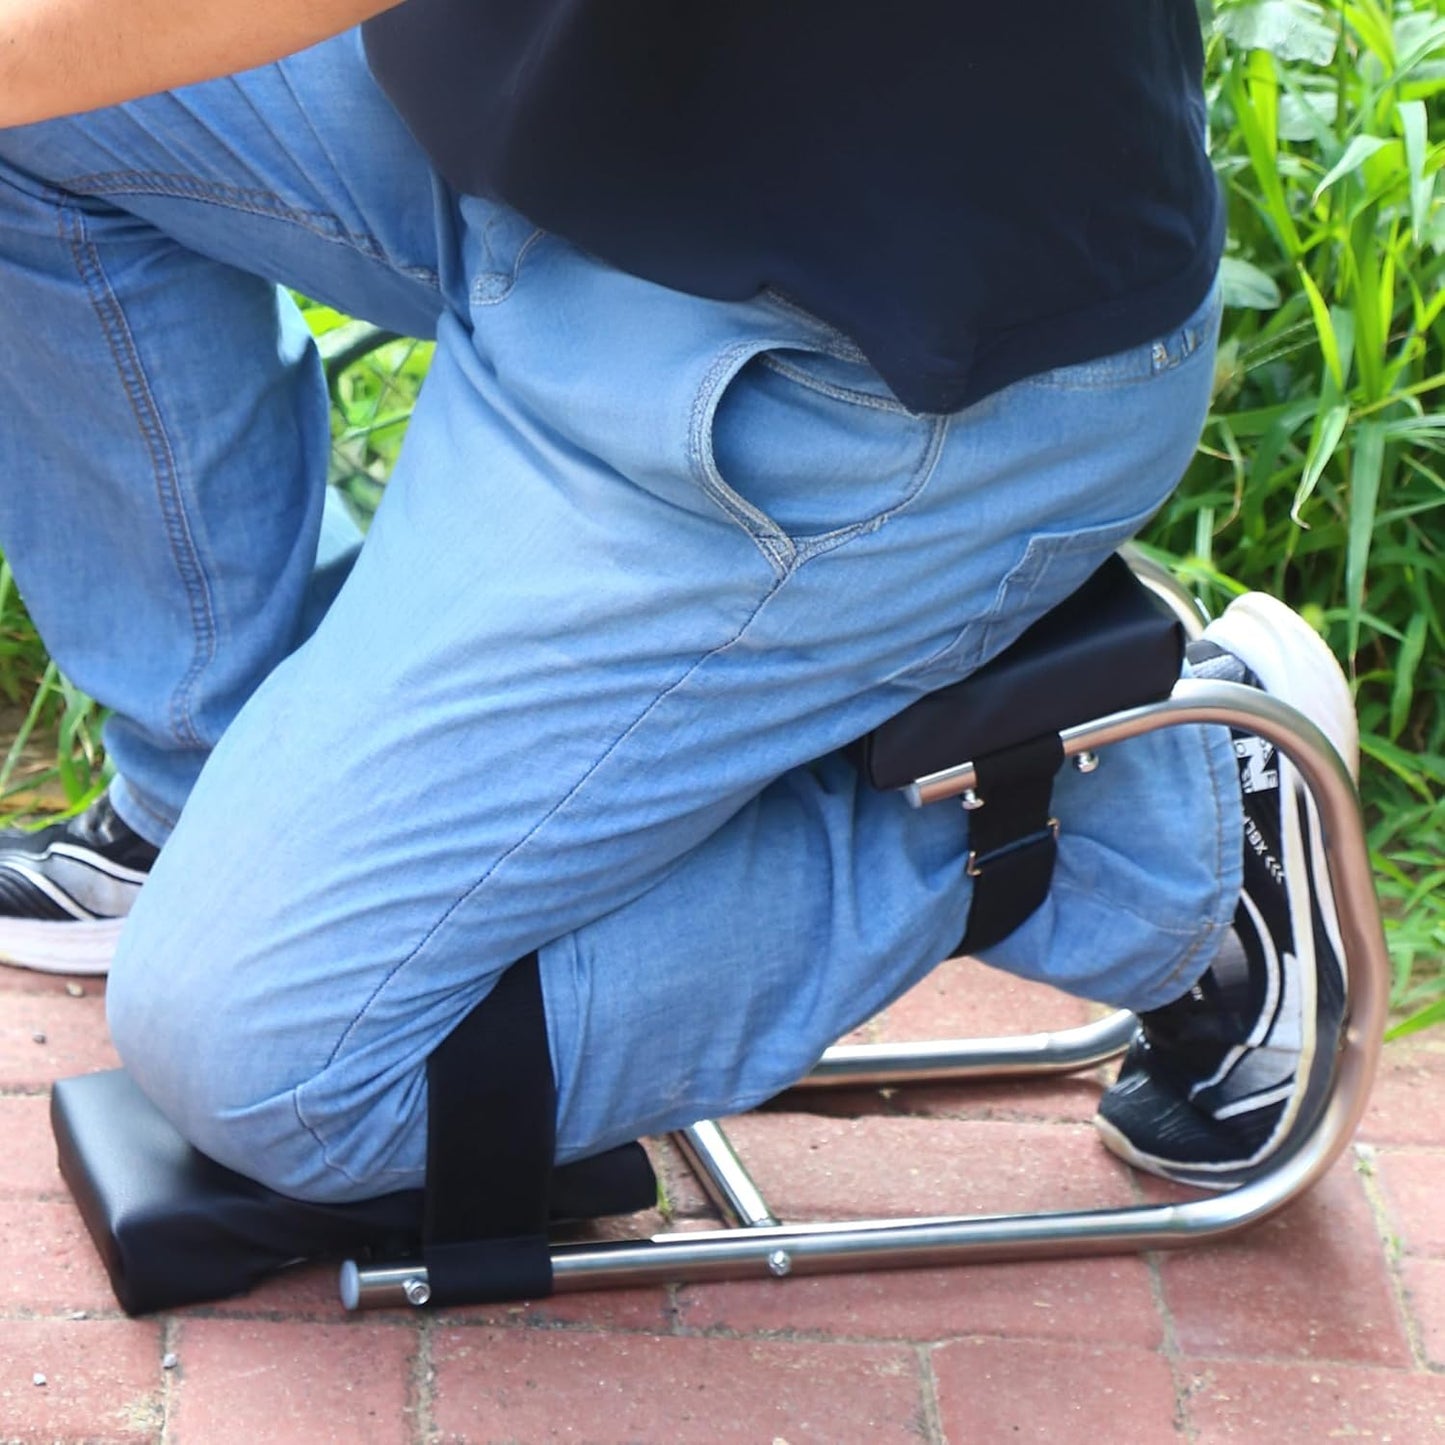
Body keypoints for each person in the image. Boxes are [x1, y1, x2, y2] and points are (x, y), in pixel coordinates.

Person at [0, 1, 1355, 1199]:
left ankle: (1153, 828)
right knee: (44, 112)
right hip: (534, 135)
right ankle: (216, 785)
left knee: (258, 1059)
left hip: (854, 370)